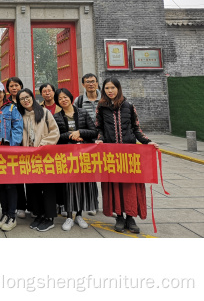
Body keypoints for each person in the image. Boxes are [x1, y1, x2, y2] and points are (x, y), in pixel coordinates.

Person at [95, 78, 158, 234]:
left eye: (113, 88)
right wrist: (100, 139)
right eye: (107, 88)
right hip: (111, 154)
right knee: (115, 186)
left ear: (118, 88)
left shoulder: (129, 106)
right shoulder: (101, 108)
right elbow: (99, 128)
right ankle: (119, 216)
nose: (110, 91)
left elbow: (136, 129)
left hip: (129, 154)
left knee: (130, 186)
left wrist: (147, 142)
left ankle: (130, 216)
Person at [16, 88, 60, 232]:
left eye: (27, 97)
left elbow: (55, 132)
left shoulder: (45, 113)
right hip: (28, 158)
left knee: (47, 188)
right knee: (33, 188)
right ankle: (39, 214)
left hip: (44, 156)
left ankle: (49, 217)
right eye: (22, 99)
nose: (25, 100)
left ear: (32, 97)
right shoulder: (19, 116)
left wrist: (43, 145)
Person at [54, 88, 97, 232]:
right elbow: (57, 136)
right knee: (69, 186)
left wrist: (81, 133)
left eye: (65, 97)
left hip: (84, 155)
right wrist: (70, 135)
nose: (63, 100)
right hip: (67, 157)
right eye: (60, 99)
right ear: (57, 102)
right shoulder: (57, 117)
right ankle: (69, 216)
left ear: (70, 97)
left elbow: (94, 131)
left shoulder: (83, 113)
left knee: (83, 186)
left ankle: (79, 215)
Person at [0, 81, 23, 232]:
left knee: (10, 184)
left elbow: (18, 128)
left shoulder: (12, 108)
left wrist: (12, 148)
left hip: (8, 152)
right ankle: (4, 213)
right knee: (0, 184)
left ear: (3, 93)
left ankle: (12, 215)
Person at [73, 73, 101, 215]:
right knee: (91, 174)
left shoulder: (106, 99)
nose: (91, 84)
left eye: (93, 81)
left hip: (105, 141)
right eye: (87, 82)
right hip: (88, 142)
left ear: (97, 83)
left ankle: (111, 206)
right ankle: (93, 204)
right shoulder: (78, 101)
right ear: (83, 84)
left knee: (109, 174)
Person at [5, 76, 26, 218]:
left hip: (26, 142)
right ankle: (20, 206)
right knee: (14, 176)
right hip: (12, 144)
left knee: (28, 174)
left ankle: (29, 204)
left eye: (17, 85)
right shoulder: (5, 104)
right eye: (11, 86)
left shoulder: (26, 100)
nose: (14, 88)